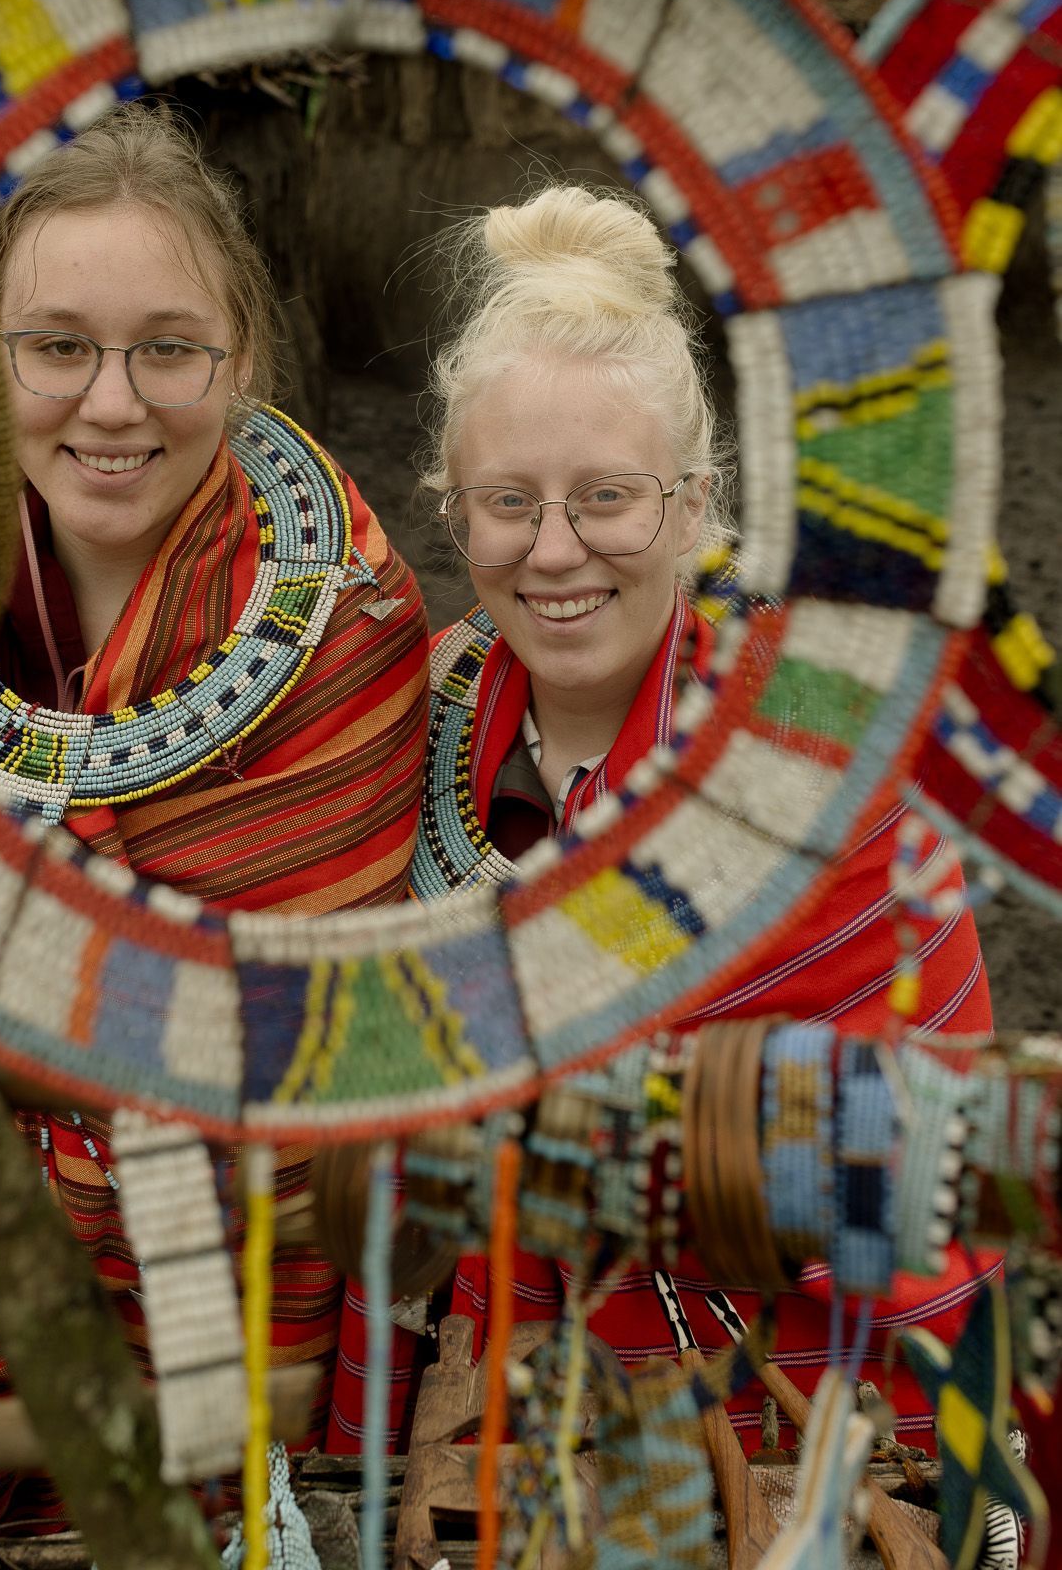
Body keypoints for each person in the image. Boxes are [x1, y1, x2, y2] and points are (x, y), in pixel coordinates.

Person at [325, 182, 990, 1456]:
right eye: (507, 501)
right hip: (499, 1414)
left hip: (801, 1422)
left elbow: (911, 1155)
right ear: (452, 508)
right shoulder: (426, 723)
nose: (555, 549)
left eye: (609, 498)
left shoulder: (814, 758)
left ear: (691, 506)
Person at [0, 101, 428, 1445]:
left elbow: (313, 1047)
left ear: (242, 358)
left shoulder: (342, 614)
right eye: (57, 349)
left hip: (258, 1299)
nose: (114, 403)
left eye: (168, 351)